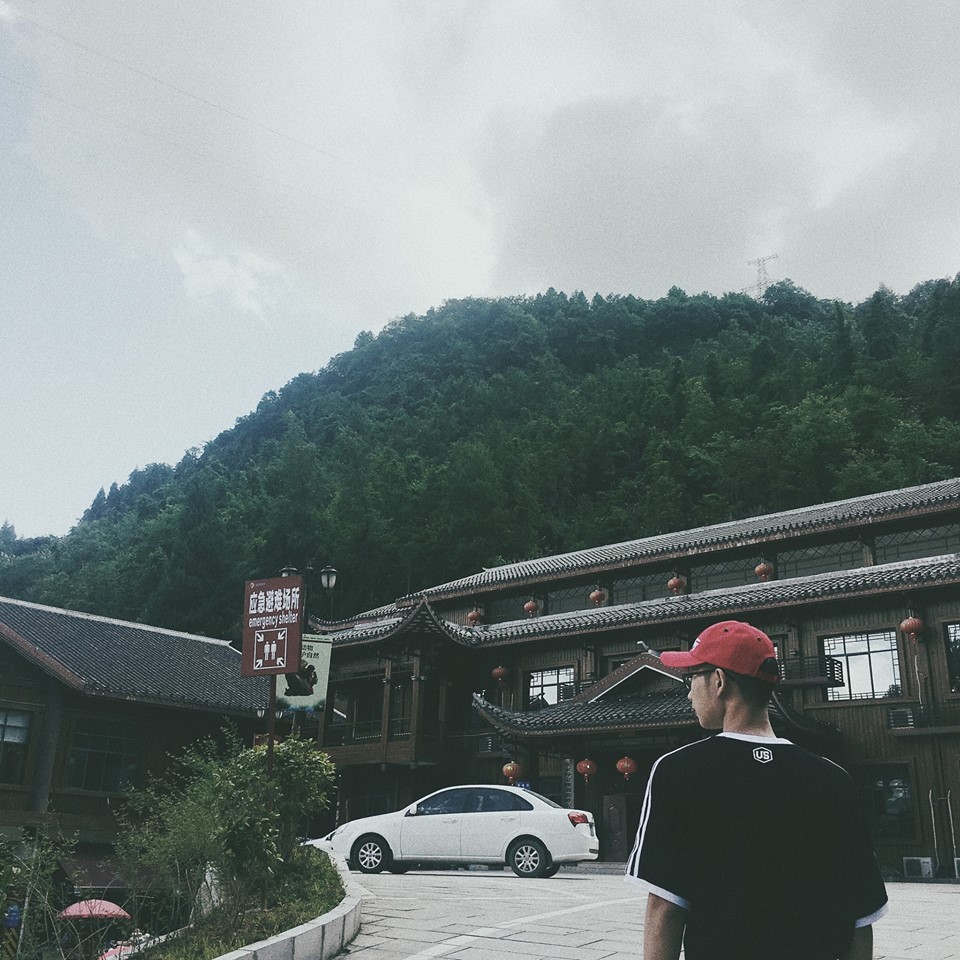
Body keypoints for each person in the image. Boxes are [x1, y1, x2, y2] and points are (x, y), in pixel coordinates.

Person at [625, 620, 888, 960]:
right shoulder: (834, 779)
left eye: (691, 679)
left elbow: (665, 907)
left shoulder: (678, 771)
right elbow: (861, 916)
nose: (688, 693)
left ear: (719, 681)